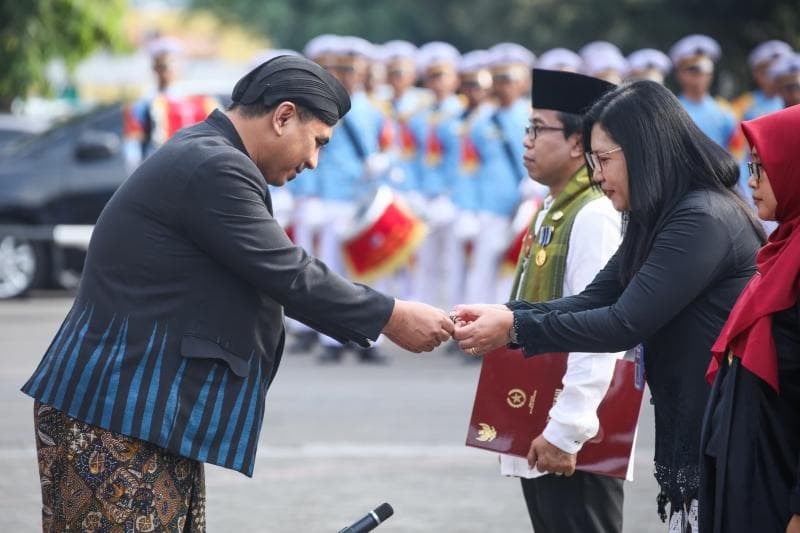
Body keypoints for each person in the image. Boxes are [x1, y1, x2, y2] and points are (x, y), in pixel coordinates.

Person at [21, 55, 454, 532]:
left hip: (137, 408)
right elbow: (287, 272)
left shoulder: (210, 153)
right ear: (283, 115)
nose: (313, 161)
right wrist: (391, 316)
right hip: (116, 409)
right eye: (317, 142)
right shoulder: (214, 166)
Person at [452, 80, 765, 531]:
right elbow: (593, 298)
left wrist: (515, 329)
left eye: (603, 159)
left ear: (644, 150)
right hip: (693, 415)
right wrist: (509, 315)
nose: (596, 174)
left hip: (728, 420)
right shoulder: (657, 214)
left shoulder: (702, 217)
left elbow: (623, 322)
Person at [502, 68, 624, 533]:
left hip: (574, 429)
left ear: (579, 143)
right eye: (526, 129)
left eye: (538, 128)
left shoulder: (592, 213)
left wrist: (568, 428)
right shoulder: (554, 205)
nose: (527, 141)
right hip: (544, 414)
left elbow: (600, 328)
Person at [700, 105, 800, 533]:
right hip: (746, 466)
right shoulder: (781, 249)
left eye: (764, 168)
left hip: (779, 481)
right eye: (750, 167)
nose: (752, 182)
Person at [465, 42, 538, 304]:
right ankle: (470, 331)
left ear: (523, 82)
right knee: (481, 272)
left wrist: (536, 191)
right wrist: (469, 208)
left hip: (523, 208)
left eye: (509, 78)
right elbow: (469, 167)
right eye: (498, 78)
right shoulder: (482, 120)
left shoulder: (534, 118)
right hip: (488, 208)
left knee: (513, 274)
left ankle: (503, 335)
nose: (503, 85)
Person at [122, 36, 219, 174]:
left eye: (172, 64)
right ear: (155, 68)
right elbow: (133, 147)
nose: (168, 70)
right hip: (158, 171)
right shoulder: (143, 104)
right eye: (162, 65)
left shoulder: (198, 100)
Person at [669, 34, 737, 150]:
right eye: (692, 70)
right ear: (679, 74)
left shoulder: (725, 111)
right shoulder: (670, 111)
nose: (699, 76)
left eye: (705, 69)